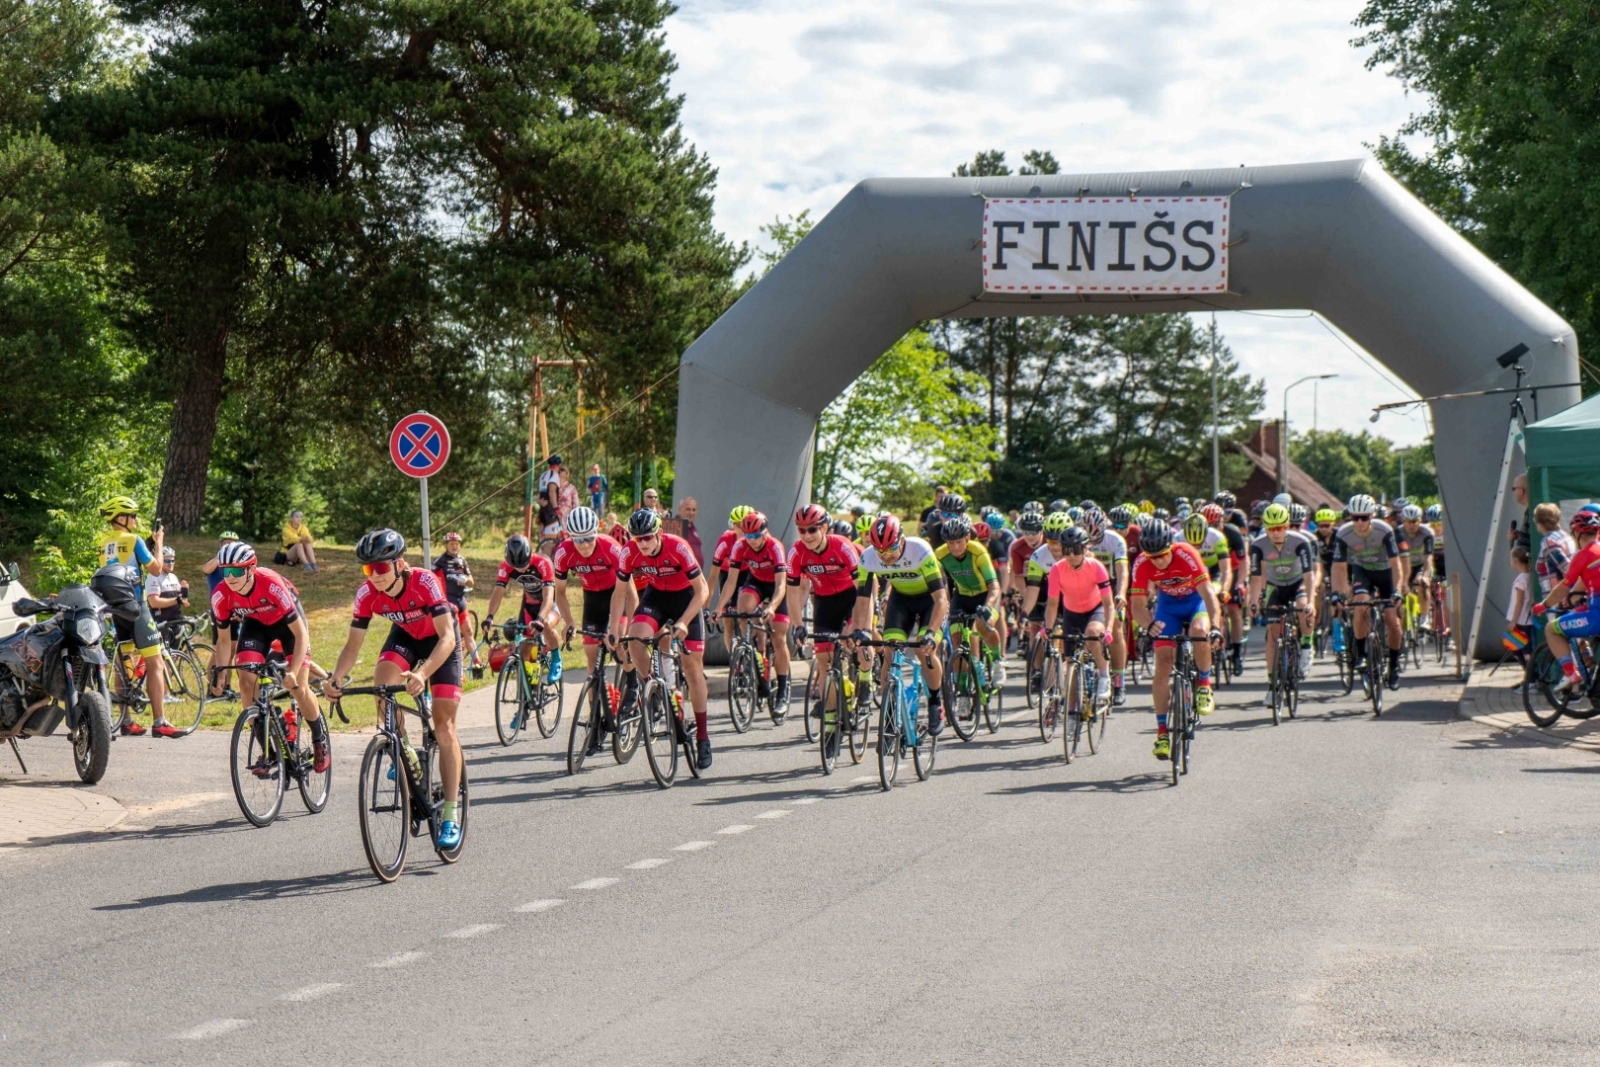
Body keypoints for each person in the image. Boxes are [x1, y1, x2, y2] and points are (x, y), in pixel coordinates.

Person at [324, 530, 459, 847]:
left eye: (381, 569)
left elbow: (448, 638)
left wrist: (423, 674)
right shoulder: (366, 594)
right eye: (368, 570)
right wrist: (336, 679)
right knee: (381, 688)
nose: (375, 577)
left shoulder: (424, 581)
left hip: (440, 643)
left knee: (444, 726)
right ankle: (406, 751)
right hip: (406, 638)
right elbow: (352, 646)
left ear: (399, 564)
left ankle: (451, 814)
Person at [209, 542, 329, 768]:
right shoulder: (221, 595)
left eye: (236, 571)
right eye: (225, 571)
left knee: (298, 686)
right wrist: (221, 675)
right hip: (256, 625)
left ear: (251, 569)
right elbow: (224, 641)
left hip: (289, 627)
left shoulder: (271, 583)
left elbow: (301, 635)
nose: (230, 577)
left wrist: (293, 672)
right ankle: (269, 751)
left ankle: (319, 739)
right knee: (246, 682)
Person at [611, 508, 714, 769]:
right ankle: (653, 690)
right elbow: (619, 593)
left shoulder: (678, 547)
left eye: (647, 537)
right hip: (655, 597)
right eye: (637, 538)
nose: (643, 543)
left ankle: (703, 737)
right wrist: (614, 628)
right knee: (634, 640)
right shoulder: (629, 552)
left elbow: (702, 590)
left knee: (693, 670)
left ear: (658, 533)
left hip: (686, 601)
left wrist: (683, 622)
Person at [1130, 519, 1221, 761]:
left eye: (1162, 554)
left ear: (1171, 546)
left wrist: (1217, 626)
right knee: (1162, 662)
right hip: (1167, 607)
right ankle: (1162, 733)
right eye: (1153, 556)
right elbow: (1137, 606)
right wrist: (1148, 624)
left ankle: (1203, 685)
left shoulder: (1186, 553)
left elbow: (1208, 593)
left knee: (1200, 631)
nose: (1158, 560)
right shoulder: (1141, 563)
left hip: (1194, 601)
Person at [855, 514, 947, 735]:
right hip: (901, 600)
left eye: (890, 549)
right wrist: (861, 629)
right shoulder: (868, 558)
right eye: (880, 551)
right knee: (890, 649)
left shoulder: (920, 550)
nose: (885, 556)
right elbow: (863, 599)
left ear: (902, 540)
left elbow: (941, 599)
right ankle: (890, 708)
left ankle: (935, 702)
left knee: (925, 651)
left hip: (930, 601)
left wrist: (932, 633)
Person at [785, 503, 863, 757]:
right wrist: (797, 625)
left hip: (852, 599)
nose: (807, 535)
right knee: (823, 661)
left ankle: (864, 684)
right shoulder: (796, 553)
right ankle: (830, 727)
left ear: (824, 527)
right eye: (802, 530)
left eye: (812, 529)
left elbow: (861, 589)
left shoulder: (842, 547)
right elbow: (793, 593)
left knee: (858, 644)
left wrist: (856, 624)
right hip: (826, 603)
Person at [551, 507, 624, 746]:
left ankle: (634, 692)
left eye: (588, 538)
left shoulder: (611, 546)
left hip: (616, 596)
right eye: (578, 539)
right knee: (592, 664)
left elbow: (628, 589)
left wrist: (616, 625)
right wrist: (569, 622)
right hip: (592, 600)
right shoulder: (563, 553)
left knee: (621, 650)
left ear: (596, 532)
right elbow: (559, 593)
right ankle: (595, 721)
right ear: (570, 537)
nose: (583, 545)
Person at [97, 496, 169, 736]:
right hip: (137, 607)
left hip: (116, 609)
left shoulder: (104, 543)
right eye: (133, 516)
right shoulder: (135, 539)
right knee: (155, 663)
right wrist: (158, 543)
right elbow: (157, 569)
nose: (136, 520)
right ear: (121, 518)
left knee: (122, 662)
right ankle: (160, 722)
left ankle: (126, 720)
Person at [715, 510, 791, 707]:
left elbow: (782, 585)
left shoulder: (775, 547)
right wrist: (719, 607)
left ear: (765, 532)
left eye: (756, 535)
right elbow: (731, 582)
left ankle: (783, 689)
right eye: (748, 536)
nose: (752, 540)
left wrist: (772, 607)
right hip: (756, 580)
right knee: (742, 608)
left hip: (775, 586)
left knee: (779, 637)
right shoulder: (740, 546)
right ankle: (750, 653)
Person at [1331, 493, 1406, 690]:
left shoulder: (1384, 530)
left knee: (1392, 621)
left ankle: (1394, 665)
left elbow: (1395, 564)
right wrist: (1337, 593)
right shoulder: (1343, 533)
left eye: (1364, 517)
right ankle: (1361, 653)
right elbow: (1338, 568)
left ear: (1372, 516)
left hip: (1385, 574)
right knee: (1361, 604)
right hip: (1362, 572)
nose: (1359, 522)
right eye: (1355, 517)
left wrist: (1397, 590)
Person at [1041, 525, 1114, 707]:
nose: (1071, 555)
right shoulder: (1057, 569)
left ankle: (1104, 674)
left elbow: (1108, 603)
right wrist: (1048, 628)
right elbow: (1052, 603)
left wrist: (1109, 629)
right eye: (1067, 550)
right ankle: (1072, 712)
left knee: (1092, 633)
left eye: (1076, 550)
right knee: (1070, 662)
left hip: (1094, 610)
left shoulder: (1096, 567)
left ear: (1084, 549)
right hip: (1071, 614)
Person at [483, 534, 564, 695]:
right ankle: (525, 699)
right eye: (516, 566)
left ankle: (556, 657)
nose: (520, 569)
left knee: (546, 625)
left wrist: (540, 619)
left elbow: (548, 596)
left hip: (552, 603)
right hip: (529, 605)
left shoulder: (543, 563)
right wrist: (490, 617)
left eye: (524, 564)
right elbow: (498, 592)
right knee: (523, 651)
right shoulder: (505, 567)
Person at [1248, 503, 1317, 685]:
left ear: (1286, 526)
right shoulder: (1258, 545)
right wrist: (1254, 601)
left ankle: (1307, 645)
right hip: (1275, 586)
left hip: (1298, 583)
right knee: (1272, 635)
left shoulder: (1301, 542)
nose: (1275, 533)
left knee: (1302, 607)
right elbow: (1255, 578)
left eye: (1279, 528)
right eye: (1271, 528)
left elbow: (1309, 575)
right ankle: (1272, 684)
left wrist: (1311, 601)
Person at [1532, 510, 1600, 693]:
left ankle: (1571, 674)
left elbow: (1564, 588)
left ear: (1577, 534)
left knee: (1551, 629)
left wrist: (1543, 605)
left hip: (1597, 616)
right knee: (1579, 618)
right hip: (1593, 609)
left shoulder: (1583, 555)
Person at [934, 514, 1002, 690]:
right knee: (957, 643)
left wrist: (988, 606)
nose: (955, 547)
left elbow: (994, 585)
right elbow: (940, 586)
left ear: (967, 538)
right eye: (951, 543)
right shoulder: (940, 555)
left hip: (985, 595)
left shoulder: (978, 552)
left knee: (982, 624)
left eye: (959, 542)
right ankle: (963, 691)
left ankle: (997, 662)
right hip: (962, 597)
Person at [431, 532, 477, 669]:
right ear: (446, 545)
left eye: (457, 544)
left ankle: (478, 663)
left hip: (461, 601)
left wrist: (466, 580)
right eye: (451, 544)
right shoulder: (439, 561)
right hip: (447, 603)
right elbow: (430, 578)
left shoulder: (462, 561)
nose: (454, 546)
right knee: (455, 637)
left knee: (468, 632)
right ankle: (458, 670)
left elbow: (472, 581)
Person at [145, 545, 189, 647]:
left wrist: (184, 591)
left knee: (174, 656)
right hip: (161, 624)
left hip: (175, 622)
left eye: (173, 561)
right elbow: (154, 602)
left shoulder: (173, 577)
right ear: (160, 561)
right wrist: (177, 600)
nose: (171, 564)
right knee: (164, 659)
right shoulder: (153, 577)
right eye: (167, 561)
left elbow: (182, 601)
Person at [1505, 545, 1533, 683]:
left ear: (1515, 560)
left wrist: (1513, 621)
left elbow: (1519, 602)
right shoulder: (1530, 577)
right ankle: (1529, 677)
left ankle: (1530, 678)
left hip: (1520, 621)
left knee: (1518, 648)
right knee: (1523, 648)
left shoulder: (1520, 580)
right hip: (1527, 619)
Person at [676, 496, 704, 570]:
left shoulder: (692, 527)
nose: (691, 513)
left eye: (694, 510)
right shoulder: (675, 527)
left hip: (695, 575)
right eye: (688, 509)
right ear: (680, 509)